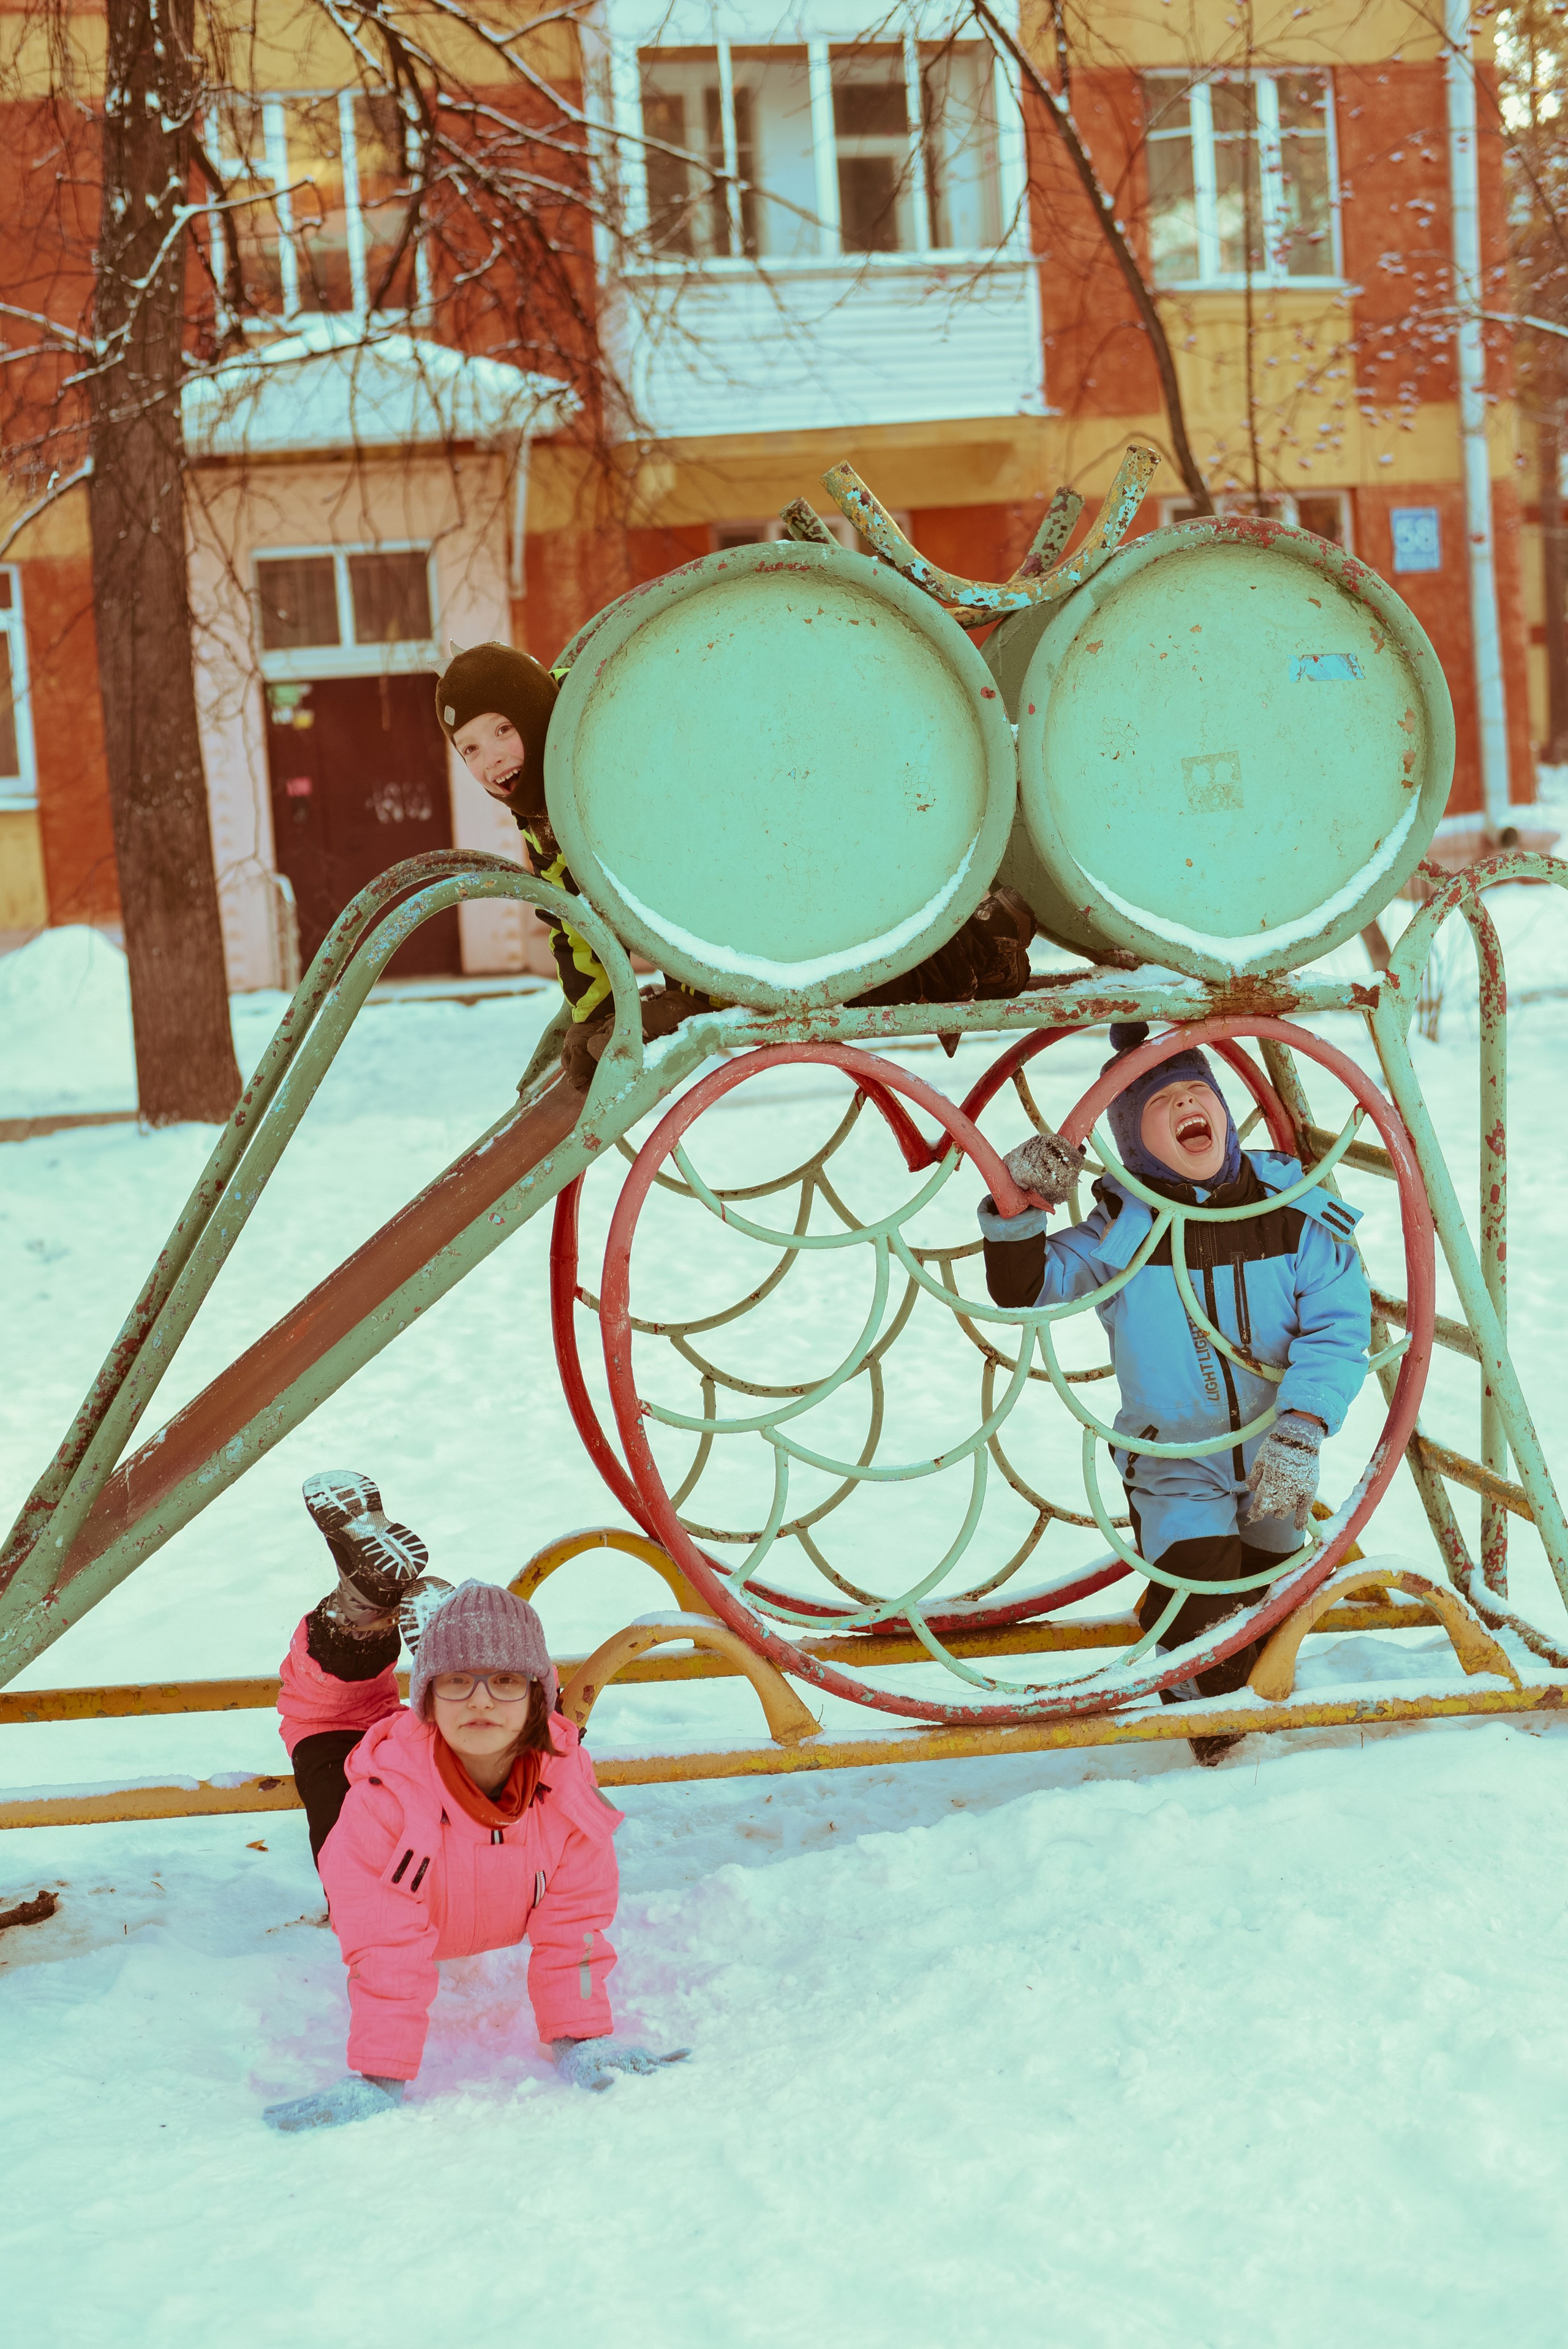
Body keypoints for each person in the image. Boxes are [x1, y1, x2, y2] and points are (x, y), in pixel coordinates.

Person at [978, 1022, 1371, 1765]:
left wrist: (1304, 1424)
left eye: (1201, 1092)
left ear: (1224, 1112)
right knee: (1200, 1588)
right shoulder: (1122, 1231)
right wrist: (1022, 1201)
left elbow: (1337, 1324)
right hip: (1175, 1457)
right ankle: (1203, 1722)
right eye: (1164, 1101)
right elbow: (1023, 1286)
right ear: (1133, 1142)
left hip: (1277, 1446)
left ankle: (1234, 1693)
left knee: (1262, 1590)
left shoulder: (1295, 1212)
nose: (1190, 1103)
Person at [263, 1471, 687, 2130]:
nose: (482, 1698)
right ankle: (360, 1609)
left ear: (540, 1698)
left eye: (501, 1681)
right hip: (376, 1779)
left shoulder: (566, 1792)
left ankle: (432, 1625)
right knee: (334, 1714)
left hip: (458, 1777)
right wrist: (380, 2075)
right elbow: (384, 1947)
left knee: (428, 1715)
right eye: (457, 1681)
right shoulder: (378, 1806)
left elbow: (573, 1926)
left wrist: (581, 2038)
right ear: (426, 1700)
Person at [434, 641, 1039, 1087]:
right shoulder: (543, 810)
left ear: (537, 716)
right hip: (743, 923)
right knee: (819, 983)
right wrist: (597, 1013)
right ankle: (970, 937)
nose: (491, 759)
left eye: (504, 730)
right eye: (470, 750)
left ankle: (987, 942)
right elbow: (572, 921)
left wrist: (695, 998)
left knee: (831, 985)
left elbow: (687, 875)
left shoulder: (601, 756)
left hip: (775, 877)